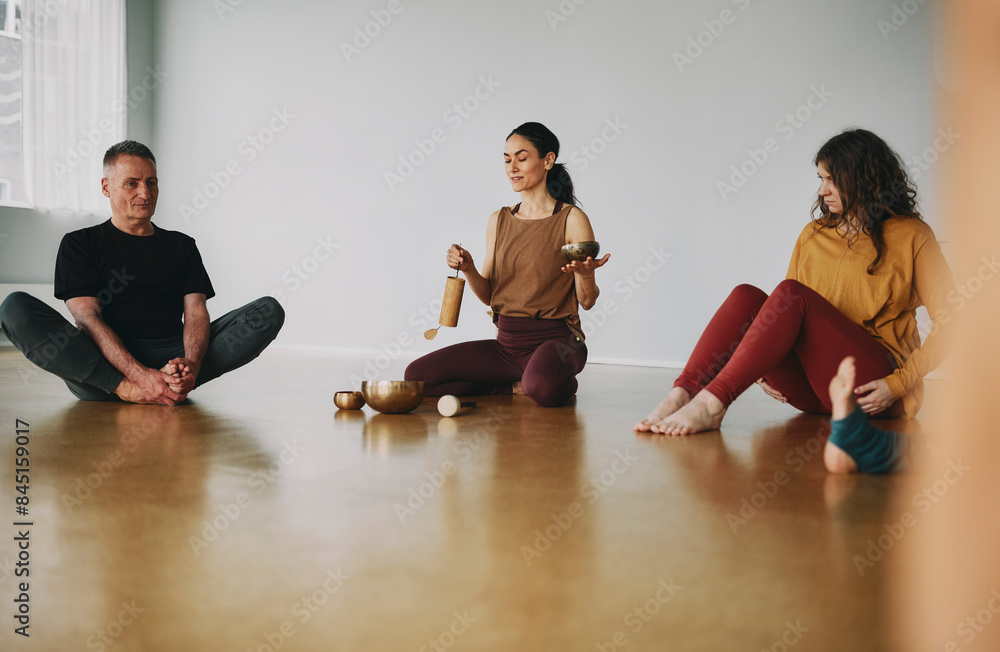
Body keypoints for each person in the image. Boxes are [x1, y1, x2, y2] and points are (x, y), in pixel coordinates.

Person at [634, 128, 952, 435]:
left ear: (865, 180)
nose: (823, 190)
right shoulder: (814, 235)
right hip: (815, 394)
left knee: (789, 293)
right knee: (747, 297)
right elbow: (783, 319)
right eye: (821, 179)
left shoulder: (912, 235)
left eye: (832, 180)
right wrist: (757, 364)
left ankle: (712, 403)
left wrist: (897, 384)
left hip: (875, 390)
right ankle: (683, 393)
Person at [0, 140, 284, 406]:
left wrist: (191, 365)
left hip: (172, 355)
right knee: (14, 309)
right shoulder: (80, 243)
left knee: (268, 311)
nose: (145, 194)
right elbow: (87, 319)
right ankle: (129, 390)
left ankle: (172, 383)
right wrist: (135, 378)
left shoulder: (182, 245)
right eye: (132, 184)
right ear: (106, 187)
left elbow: (196, 313)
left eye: (151, 183)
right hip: (101, 370)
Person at [404, 122, 610, 407]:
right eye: (507, 159)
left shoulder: (571, 219)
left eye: (522, 158)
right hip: (506, 346)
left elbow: (586, 302)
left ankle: (539, 380)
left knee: (541, 386)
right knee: (416, 377)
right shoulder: (498, 220)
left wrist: (586, 275)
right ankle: (515, 387)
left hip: (559, 343)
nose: (512, 167)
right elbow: (489, 295)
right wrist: (469, 269)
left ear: (548, 160)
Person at [824, 356, 910, 474]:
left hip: (893, 375)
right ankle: (864, 443)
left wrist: (898, 383)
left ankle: (864, 442)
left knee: (940, 448)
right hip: (812, 395)